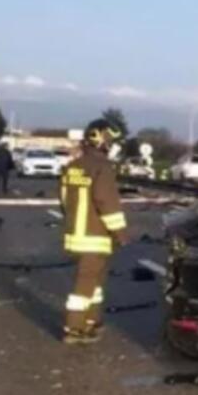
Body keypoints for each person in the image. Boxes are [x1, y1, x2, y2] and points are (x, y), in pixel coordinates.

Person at [60, 119, 129, 344]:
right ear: (102, 140)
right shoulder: (102, 167)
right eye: (112, 141)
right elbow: (106, 202)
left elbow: (62, 200)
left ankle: (92, 320)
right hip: (95, 236)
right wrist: (120, 233)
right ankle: (75, 327)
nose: (113, 146)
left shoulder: (73, 166)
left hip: (75, 235)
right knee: (86, 281)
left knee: (94, 282)